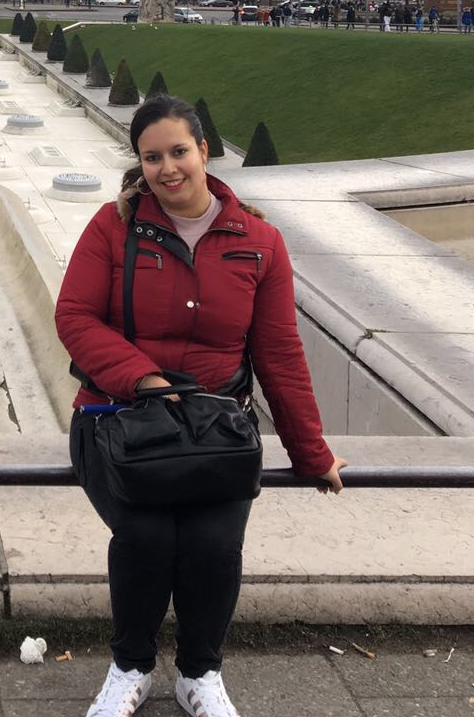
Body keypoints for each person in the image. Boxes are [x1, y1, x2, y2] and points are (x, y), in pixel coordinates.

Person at [56, 94, 345, 717]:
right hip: (119, 421)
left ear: (204, 150)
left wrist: (310, 451)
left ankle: (198, 674)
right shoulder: (112, 226)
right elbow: (74, 317)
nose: (168, 169)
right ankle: (131, 664)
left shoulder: (261, 242)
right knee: (148, 536)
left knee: (215, 545)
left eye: (178, 152)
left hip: (214, 431)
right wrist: (145, 379)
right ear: (139, 162)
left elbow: (279, 354)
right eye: (152, 157)